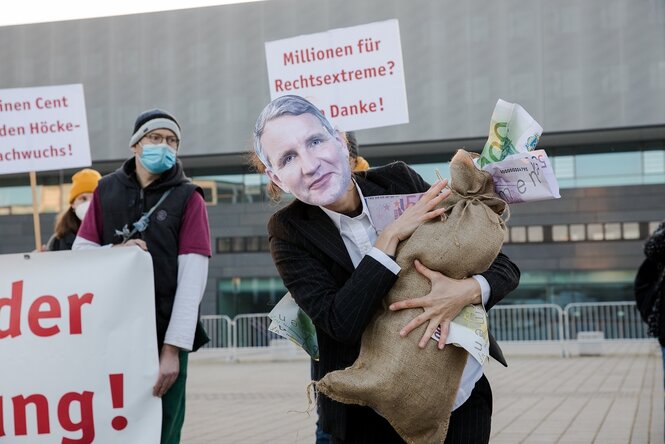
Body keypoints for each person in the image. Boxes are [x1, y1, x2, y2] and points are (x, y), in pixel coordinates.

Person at [251, 95, 520, 443]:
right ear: (276, 176)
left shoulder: (399, 180)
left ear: (339, 139)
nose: (309, 165)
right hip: (370, 416)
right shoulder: (289, 231)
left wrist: (465, 292)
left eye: (315, 141)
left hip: (462, 398)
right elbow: (339, 322)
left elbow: (503, 266)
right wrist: (389, 237)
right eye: (288, 158)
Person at [73, 108, 211, 444]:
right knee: (113, 428)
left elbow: (193, 279)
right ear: (136, 145)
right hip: (112, 335)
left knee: (163, 433)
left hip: (164, 338)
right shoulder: (106, 190)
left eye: (172, 140)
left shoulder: (189, 198)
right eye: (155, 137)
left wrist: (172, 350)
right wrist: (115, 253)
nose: (164, 145)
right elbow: (80, 254)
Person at [45, 168, 102, 251]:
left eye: (94, 198)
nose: (89, 204)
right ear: (73, 204)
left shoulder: (115, 232)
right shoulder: (58, 241)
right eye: (83, 198)